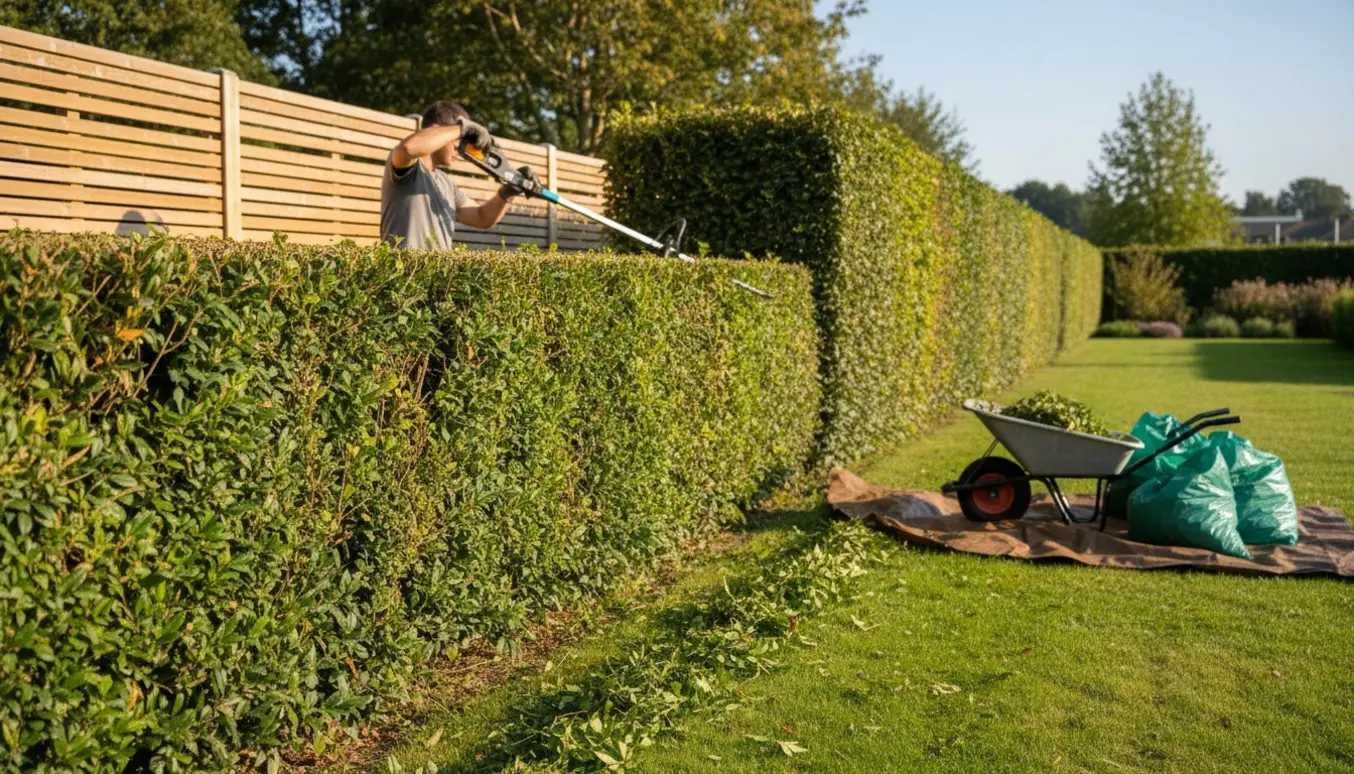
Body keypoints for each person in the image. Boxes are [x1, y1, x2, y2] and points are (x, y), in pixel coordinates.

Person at [380, 100, 540, 249]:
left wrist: (507, 193)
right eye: (459, 140)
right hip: (404, 277)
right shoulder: (407, 168)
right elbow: (409, 147)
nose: (461, 147)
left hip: (438, 278)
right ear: (437, 131)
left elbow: (481, 217)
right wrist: (462, 129)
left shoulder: (446, 183)